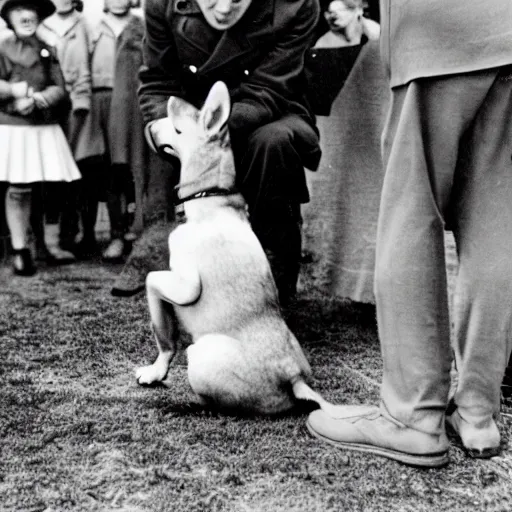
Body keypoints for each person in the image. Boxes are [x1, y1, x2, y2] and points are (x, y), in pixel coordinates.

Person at [307, 0, 512, 467]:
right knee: (496, 220)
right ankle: (478, 413)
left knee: (411, 212)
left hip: (436, 33)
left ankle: (413, 415)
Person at [139, 0, 322, 307]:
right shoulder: (162, 3)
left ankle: (273, 294)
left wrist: (208, 135)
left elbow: (269, 88)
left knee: (270, 144)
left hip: (271, 109)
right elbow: (158, 81)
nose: (223, 7)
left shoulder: (297, 5)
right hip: (194, 116)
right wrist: (165, 126)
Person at [0, 0, 80, 276]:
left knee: (48, 188)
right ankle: (20, 251)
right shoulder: (1, 47)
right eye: (19, 11)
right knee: (18, 187)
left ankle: (46, 246)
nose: (27, 16)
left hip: (41, 128)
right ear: (9, 17)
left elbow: (61, 88)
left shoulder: (48, 49)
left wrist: (39, 99)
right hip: (11, 129)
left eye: (31, 11)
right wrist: (12, 92)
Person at [82, 0, 146, 262]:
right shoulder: (92, 29)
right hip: (102, 101)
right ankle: (116, 234)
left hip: (134, 102)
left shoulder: (142, 26)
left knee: (137, 167)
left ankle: (140, 231)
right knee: (111, 170)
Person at [36, 0, 92, 262]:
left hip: (74, 107)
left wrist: (82, 104)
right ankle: (35, 241)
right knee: (38, 175)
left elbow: (85, 70)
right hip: (42, 107)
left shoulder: (84, 26)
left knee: (71, 172)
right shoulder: (36, 25)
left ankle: (66, 237)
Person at [314, 0, 379, 49]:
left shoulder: (373, 31)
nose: (332, 17)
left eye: (340, 10)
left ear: (358, 11)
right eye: (330, 12)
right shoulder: (324, 42)